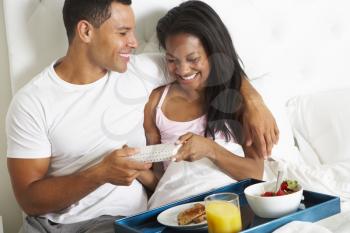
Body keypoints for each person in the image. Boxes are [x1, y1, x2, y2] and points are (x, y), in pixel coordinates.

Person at [6, 0, 277, 232]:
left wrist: (254, 101)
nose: (134, 43)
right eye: (123, 32)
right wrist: (99, 173)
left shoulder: (139, 71)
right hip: (46, 224)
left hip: (114, 222)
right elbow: (29, 199)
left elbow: (213, 62)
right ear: (86, 31)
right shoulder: (32, 101)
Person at [137, 1, 274, 205]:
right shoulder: (156, 104)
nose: (182, 70)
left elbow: (256, 172)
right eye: (172, 60)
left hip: (231, 204)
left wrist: (210, 149)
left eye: (193, 59)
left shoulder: (236, 98)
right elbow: (161, 181)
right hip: (179, 207)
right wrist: (136, 169)